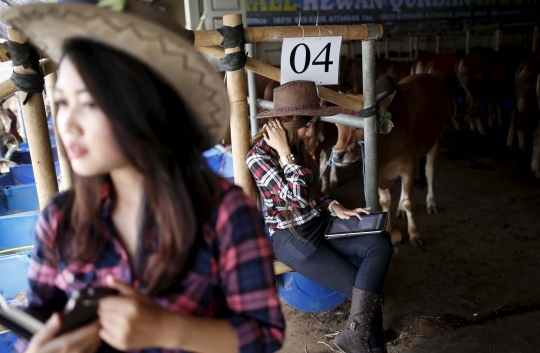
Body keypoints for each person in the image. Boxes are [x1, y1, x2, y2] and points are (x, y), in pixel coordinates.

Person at [1, 1, 284, 352]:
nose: (67, 126)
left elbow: (264, 336)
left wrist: (168, 330)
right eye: (61, 103)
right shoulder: (60, 219)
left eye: (88, 103)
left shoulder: (225, 214)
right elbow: (42, 315)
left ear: (145, 105)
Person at [246, 81, 393, 353]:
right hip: (294, 240)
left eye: (312, 123)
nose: (311, 130)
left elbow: (311, 193)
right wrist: (285, 154)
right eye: (307, 124)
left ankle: (356, 338)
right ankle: (371, 346)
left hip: (319, 223)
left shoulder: (297, 145)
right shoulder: (258, 156)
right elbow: (296, 198)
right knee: (363, 293)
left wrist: (335, 205)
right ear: (286, 122)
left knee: (380, 242)